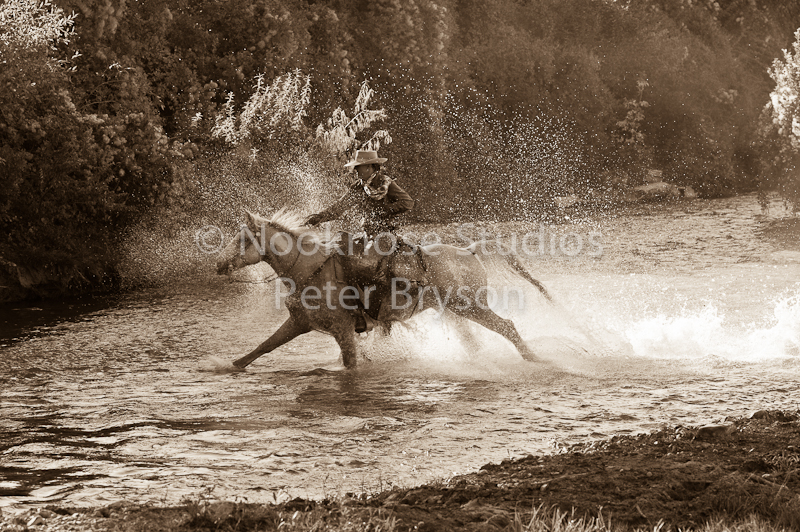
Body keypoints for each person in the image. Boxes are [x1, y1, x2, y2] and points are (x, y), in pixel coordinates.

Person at [305, 149, 415, 333]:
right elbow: (339, 208)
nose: (356, 171)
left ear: (372, 167)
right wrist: (319, 217)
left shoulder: (386, 183)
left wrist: (382, 212)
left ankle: (376, 312)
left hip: (385, 235)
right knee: (340, 253)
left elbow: (407, 202)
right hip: (367, 234)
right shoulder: (359, 187)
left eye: (360, 167)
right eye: (356, 168)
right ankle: (354, 306)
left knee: (365, 265)